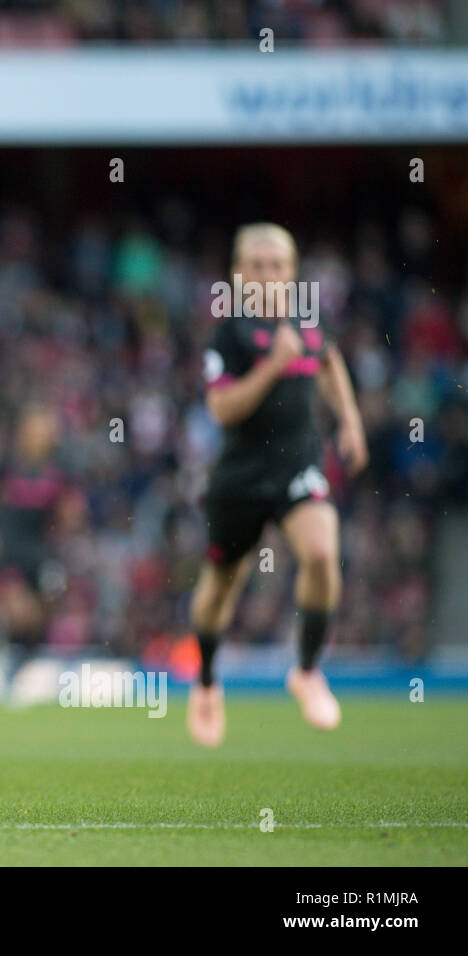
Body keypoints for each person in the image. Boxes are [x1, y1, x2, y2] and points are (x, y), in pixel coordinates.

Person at [188, 223, 368, 747]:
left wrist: (351, 422)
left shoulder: (310, 323)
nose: (268, 275)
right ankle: (205, 682)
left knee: (320, 552)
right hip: (240, 478)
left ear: (292, 273)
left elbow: (329, 362)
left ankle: (307, 671)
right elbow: (222, 410)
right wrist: (273, 366)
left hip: (297, 467)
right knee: (222, 586)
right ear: (239, 275)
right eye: (258, 266)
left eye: (278, 265)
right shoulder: (229, 334)